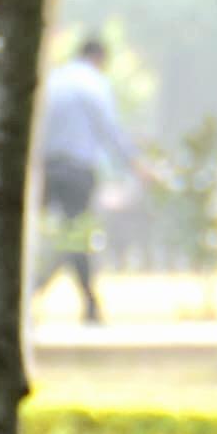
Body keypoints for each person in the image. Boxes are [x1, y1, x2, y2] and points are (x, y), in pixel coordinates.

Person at [33, 32, 132, 327]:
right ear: (100, 58)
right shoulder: (94, 84)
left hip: (46, 169)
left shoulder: (53, 81)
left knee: (59, 235)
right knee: (75, 236)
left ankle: (80, 301)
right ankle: (52, 291)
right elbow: (109, 130)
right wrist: (134, 162)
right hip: (77, 172)